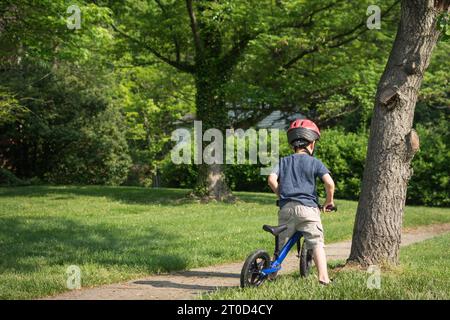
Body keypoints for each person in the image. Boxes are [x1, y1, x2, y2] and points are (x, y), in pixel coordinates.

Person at [267, 119, 335, 285]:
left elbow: (271, 179)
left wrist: (281, 194)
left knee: (281, 244)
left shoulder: (283, 161)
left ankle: (270, 275)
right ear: (311, 144)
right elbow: (329, 183)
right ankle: (324, 278)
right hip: (308, 209)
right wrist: (328, 202)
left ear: (293, 145)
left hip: (286, 209)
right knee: (316, 241)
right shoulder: (315, 162)